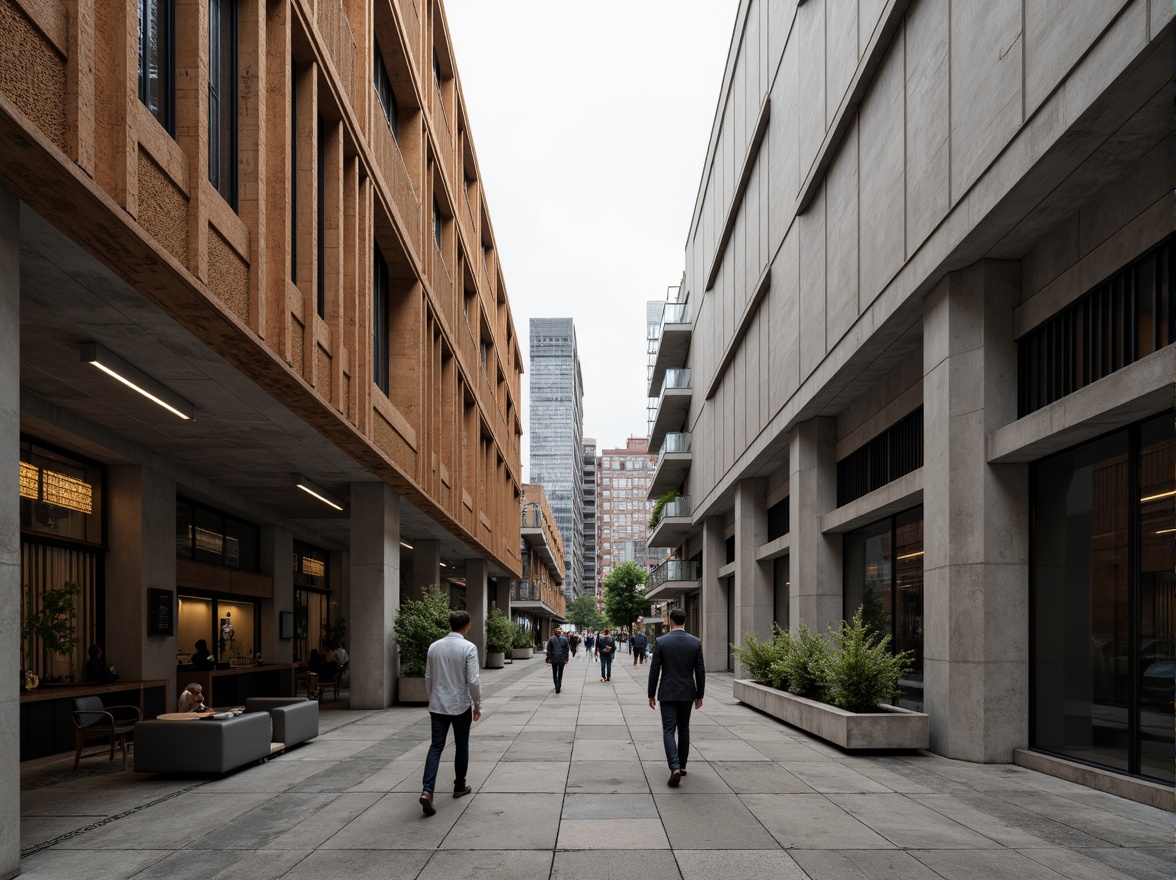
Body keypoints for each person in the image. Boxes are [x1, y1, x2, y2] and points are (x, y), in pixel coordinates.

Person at [419, 609, 482, 816]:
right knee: (461, 744)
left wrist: (433, 697)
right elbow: (473, 680)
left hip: (438, 705)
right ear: (467, 625)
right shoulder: (469, 648)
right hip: (460, 704)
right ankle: (459, 786)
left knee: (436, 746)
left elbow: (428, 677)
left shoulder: (434, 647)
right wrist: (477, 705)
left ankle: (427, 790)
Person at [647, 607, 705, 787]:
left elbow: (654, 670)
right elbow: (700, 671)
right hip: (687, 692)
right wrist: (699, 695)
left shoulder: (662, 642)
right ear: (684, 621)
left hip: (667, 692)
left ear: (671, 621)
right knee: (684, 728)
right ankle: (683, 765)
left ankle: (674, 767)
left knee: (668, 730)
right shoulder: (695, 642)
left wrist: (651, 694)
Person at [545, 627, 570, 694]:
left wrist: (549, 658)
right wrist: (566, 658)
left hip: (554, 657)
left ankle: (556, 685)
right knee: (560, 672)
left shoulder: (551, 639)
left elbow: (549, 650)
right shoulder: (564, 639)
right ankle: (559, 685)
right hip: (562, 657)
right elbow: (567, 650)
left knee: (554, 672)